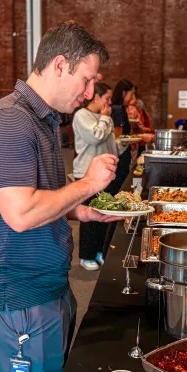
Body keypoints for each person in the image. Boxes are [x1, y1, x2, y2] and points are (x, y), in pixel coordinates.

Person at [0, 21, 121, 372]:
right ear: (59, 65)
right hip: (19, 296)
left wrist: (80, 210)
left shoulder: (43, 118)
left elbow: (43, 195)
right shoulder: (9, 120)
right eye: (86, 81)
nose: (90, 93)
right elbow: (21, 214)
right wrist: (88, 184)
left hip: (47, 287)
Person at [73, 82, 129, 270]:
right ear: (96, 97)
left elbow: (110, 142)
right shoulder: (82, 115)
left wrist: (124, 144)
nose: (110, 103)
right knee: (89, 216)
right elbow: (95, 137)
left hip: (106, 174)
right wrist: (105, 118)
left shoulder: (106, 117)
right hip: (87, 173)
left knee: (104, 214)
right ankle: (86, 255)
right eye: (107, 98)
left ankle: (100, 251)